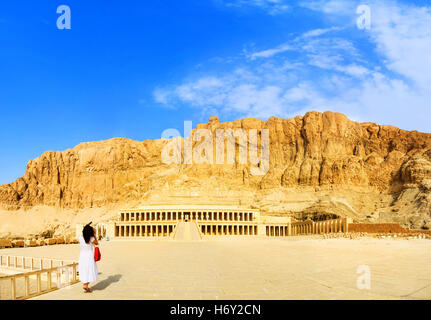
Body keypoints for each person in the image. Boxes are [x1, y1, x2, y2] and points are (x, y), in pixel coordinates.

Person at [79, 223, 99, 293]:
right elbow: (97, 243)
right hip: (89, 255)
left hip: (82, 255)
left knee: (84, 269)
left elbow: (83, 233)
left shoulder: (80, 237)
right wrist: (94, 234)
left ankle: (86, 285)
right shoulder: (91, 238)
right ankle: (85, 285)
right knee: (90, 270)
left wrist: (85, 229)